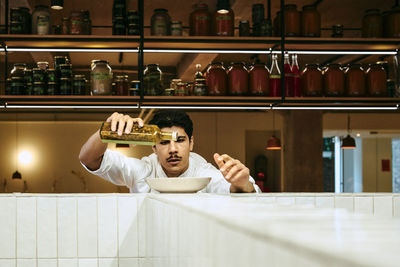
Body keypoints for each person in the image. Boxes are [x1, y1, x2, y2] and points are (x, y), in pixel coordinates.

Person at [79, 110, 260, 194]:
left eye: (180, 141)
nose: (173, 149)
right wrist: (107, 130)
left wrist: (241, 184)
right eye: (164, 142)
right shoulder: (144, 170)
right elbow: (89, 159)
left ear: (191, 143)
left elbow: (231, 188)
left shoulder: (202, 171)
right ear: (154, 147)